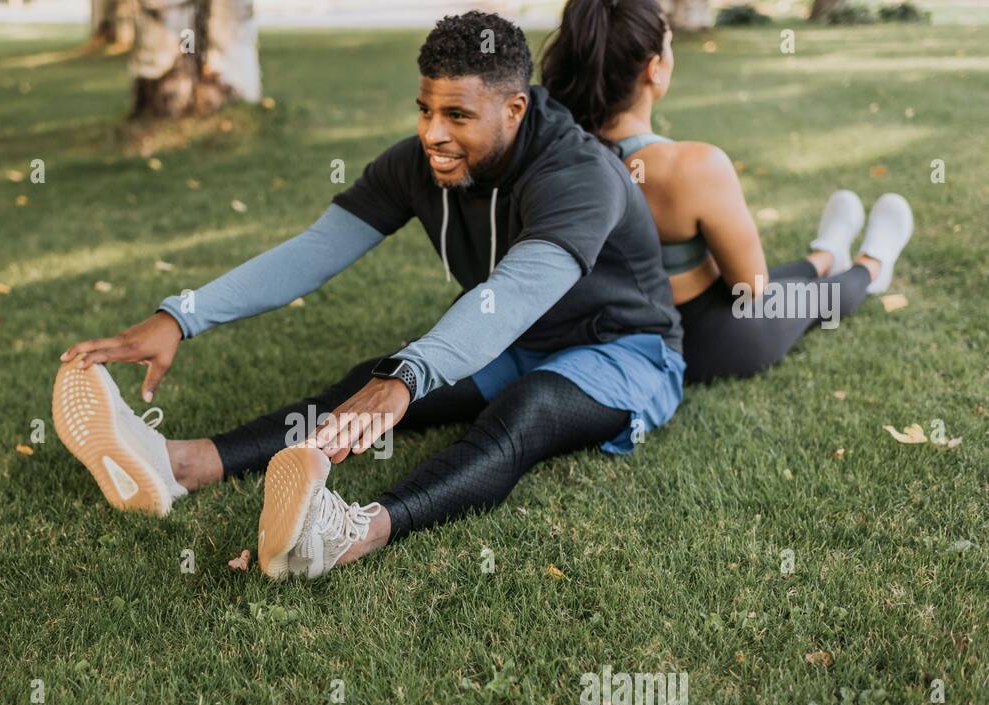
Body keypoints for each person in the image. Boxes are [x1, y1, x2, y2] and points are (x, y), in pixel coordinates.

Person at [55, 12, 684, 580]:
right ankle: (180, 463)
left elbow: (519, 294)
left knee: (528, 409)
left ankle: (348, 533)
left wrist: (411, 373)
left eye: (458, 116)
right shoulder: (419, 164)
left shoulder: (580, 175)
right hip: (520, 338)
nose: (433, 134)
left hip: (624, 351)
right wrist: (179, 316)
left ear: (515, 109)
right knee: (366, 381)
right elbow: (312, 253)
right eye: (425, 110)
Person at [540, 0, 914, 383]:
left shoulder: (551, 153)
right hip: (708, 339)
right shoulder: (692, 166)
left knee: (759, 277)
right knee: (812, 300)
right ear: (654, 68)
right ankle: (872, 265)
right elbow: (750, 288)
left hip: (605, 328)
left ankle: (824, 256)